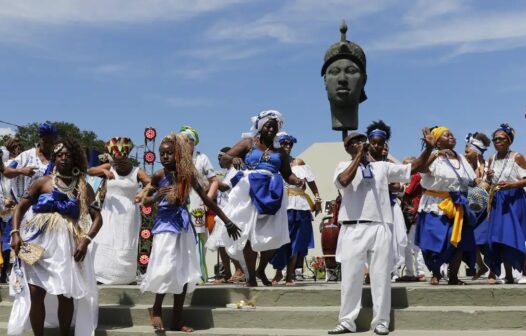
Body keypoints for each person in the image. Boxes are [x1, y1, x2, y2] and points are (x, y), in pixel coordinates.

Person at [328, 130, 434, 335]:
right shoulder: (343, 166)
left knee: (381, 277)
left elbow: (414, 168)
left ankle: (381, 321)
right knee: (350, 277)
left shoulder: (382, 167)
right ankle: (347, 321)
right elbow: (343, 182)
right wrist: (359, 157)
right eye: (355, 143)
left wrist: (429, 148)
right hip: (353, 227)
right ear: (347, 148)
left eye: (362, 141)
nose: (360, 144)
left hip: (380, 226)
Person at [139, 133, 240, 333]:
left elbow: (207, 199)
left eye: (169, 153)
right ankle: (157, 308)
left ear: (178, 155)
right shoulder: (159, 175)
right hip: (165, 226)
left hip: (183, 226)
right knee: (165, 267)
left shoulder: (188, 175)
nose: (165, 156)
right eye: (162, 153)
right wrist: (156, 196)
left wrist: (227, 220)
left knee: (183, 272)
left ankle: (177, 319)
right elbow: (145, 201)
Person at [8, 137, 103, 336]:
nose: (64, 158)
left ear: (76, 158)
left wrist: (85, 241)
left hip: (66, 245)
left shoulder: (83, 187)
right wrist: (15, 233)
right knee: (35, 293)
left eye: (68, 155)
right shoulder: (41, 182)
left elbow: (97, 218)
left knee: (65, 294)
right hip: (35, 242)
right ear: (54, 158)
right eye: (59, 155)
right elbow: (20, 208)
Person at [219, 110, 305, 287]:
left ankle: (261, 269)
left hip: (273, 191)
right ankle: (251, 276)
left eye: (274, 127)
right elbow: (224, 159)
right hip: (250, 189)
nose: (271, 129)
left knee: (273, 236)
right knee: (249, 234)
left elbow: (287, 174)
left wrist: (297, 181)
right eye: (268, 125)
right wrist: (234, 157)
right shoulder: (248, 143)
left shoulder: (280, 152)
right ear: (260, 126)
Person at [414, 126, 477, 286]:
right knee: (433, 240)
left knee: (457, 241)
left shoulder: (461, 158)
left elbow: (471, 181)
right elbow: (421, 168)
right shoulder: (434, 156)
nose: (451, 136)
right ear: (437, 141)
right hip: (435, 204)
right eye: (446, 135)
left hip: (458, 203)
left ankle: (454, 277)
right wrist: (434, 152)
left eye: (452, 134)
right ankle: (436, 273)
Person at [87, 137, 151, 285]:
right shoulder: (110, 167)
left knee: (125, 240)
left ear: (127, 157)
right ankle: (102, 274)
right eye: (116, 160)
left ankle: (124, 276)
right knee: (106, 238)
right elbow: (90, 171)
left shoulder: (136, 171)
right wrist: (104, 169)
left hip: (129, 213)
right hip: (110, 212)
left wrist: (143, 193)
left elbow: (150, 182)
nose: (118, 163)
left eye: (121, 160)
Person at [271, 132, 322, 286]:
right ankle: (278, 271)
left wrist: (317, 198)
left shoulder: (298, 162)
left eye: (290, 144)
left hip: (299, 205)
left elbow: (311, 181)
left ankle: (289, 275)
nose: (287, 146)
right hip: (281, 205)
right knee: (279, 240)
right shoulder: (272, 162)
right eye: (284, 143)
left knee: (296, 241)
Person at [365, 121, 408, 282]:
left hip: (389, 206)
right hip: (370, 207)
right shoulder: (364, 162)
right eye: (374, 143)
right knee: (369, 240)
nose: (380, 147)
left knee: (391, 239)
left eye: (382, 145)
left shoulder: (389, 164)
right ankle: (369, 271)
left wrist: (385, 184)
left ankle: (390, 270)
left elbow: (397, 186)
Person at [484, 124, 526, 284]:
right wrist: (488, 178)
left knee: (518, 235)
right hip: (497, 200)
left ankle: (524, 272)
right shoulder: (492, 158)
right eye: (494, 139)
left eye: (501, 138)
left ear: (509, 141)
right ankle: (508, 275)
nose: (497, 141)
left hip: (514, 199)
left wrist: (512, 185)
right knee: (501, 237)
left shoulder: (517, 157)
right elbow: (489, 183)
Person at [180, 125, 219, 283]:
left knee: (198, 239)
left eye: (183, 141)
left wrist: (207, 201)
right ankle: (182, 277)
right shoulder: (177, 158)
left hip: (198, 204)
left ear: (191, 142)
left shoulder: (202, 158)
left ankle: (199, 277)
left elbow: (214, 181)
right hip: (180, 204)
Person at [206, 146, 246, 284]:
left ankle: (240, 270)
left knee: (229, 243)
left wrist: (212, 182)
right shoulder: (227, 171)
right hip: (222, 212)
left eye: (221, 157)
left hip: (231, 212)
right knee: (221, 244)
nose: (219, 160)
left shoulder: (237, 169)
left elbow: (225, 187)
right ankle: (227, 273)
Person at [463, 132, 493, 282]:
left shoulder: (488, 166)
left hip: (485, 209)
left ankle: (493, 270)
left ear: (477, 152)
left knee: (486, 240)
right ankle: (481, 265)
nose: (465, 153)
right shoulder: (464, 167)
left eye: (468, 151)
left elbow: (485, 188)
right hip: (471, 208)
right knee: (469, 239)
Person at [398, 156, 427, 282]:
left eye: (408, 165)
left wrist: (397, 187)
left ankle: (417, 272)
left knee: (411, 245)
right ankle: (414, 271)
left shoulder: (415, 176)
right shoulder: (410, 177)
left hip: (412, 213)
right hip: (410, 212)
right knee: (410, 245)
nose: (406, 168)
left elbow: (407, 193)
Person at [0, 138, 23, 282]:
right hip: (4, 207)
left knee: (7, 241)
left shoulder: (9, 168)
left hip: (8, 211)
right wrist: (3, 201)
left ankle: (4, 273)